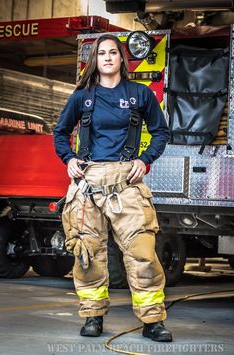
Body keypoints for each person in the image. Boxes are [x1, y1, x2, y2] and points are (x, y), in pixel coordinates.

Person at [53, 33, 172, 342]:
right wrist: (68, 158)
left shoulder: (140, 94)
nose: (107, 57)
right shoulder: (82, 96)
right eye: (101, 53)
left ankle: (152, 321)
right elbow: (60, 131)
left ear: (121, 59)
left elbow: (160, 131)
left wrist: (144, 160)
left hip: (126, 184)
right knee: (87, 253)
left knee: (142, 253)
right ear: (95, 60)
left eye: (113, 52)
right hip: (89, 183)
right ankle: (93, 317)